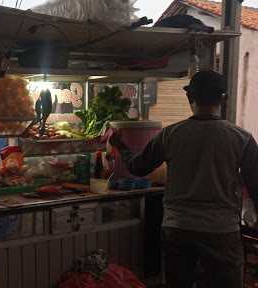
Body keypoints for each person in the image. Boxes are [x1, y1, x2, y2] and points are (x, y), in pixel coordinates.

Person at [109, 70, 258, 288]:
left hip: (178, 229)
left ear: (190, 98)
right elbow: (256, 186)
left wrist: (120, 145)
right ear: (224, 99)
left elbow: (138, 167)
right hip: (221, 231)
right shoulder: (242, 139)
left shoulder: (171, 135)